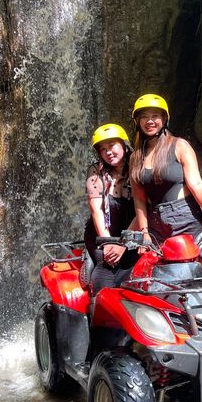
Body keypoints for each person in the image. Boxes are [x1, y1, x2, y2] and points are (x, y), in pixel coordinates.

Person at [129, 93, 202, 245]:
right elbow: (139, 198)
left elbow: (195, 184)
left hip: (185, 215)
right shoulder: (135, 158)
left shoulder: (180, 146)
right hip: (155, 222)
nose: (149, 121)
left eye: (155, 116)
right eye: (144, 117)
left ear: (164, 119)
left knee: (192, 266)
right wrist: (144, 232)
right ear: (137, 121)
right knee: (159, 268)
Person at [84, 123, 138, 293]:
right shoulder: (96, 171)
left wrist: (124, 243)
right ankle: (96, 311)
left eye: (112, 145)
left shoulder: (139, 167)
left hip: (133, 233)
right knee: (104, 275)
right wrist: (107, 242)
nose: (108, 152)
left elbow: (144, 208)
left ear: (124, 144)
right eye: (103, 149)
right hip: (102, 235)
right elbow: (96, 209)